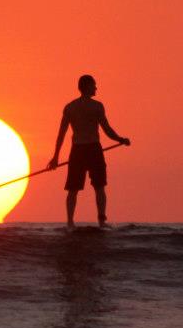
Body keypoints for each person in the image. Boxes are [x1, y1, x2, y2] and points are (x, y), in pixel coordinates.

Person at [48, 75, 130, 229]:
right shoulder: (97, 106)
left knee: (73, 189)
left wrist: (56, 157)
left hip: (78, 150)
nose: (96, 88)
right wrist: (121, 139)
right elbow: (107, 129)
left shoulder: (70, 107)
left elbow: (61, 135)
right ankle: (101, 222)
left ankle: (70, 223)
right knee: (99, 187)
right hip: (92, 149)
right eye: (94, 85)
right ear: (86, 87)